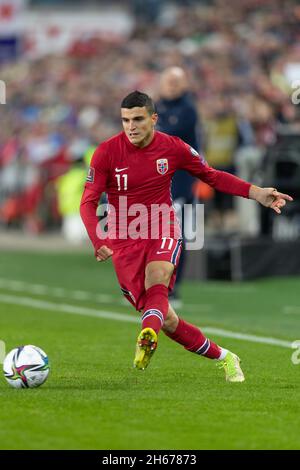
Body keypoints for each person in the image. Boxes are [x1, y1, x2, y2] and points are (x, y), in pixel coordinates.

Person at [80, 91, 293, 382]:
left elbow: (212, 176)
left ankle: (147, 336)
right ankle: (225, 356)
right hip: (123, 237)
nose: (131, 126)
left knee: (158, 278)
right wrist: (97, 239)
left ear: (153, 119)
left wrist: (257, 193)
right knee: (167, 319)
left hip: (162, 226)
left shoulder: (174, 147)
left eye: (138, 119)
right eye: (125, 120)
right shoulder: (106, 152)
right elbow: (88, 201)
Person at [156, 66, 201, 306]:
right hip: (154, 181)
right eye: (168, 80)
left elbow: (165, 138)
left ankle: (172, 288)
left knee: (175, 234)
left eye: (176, 81)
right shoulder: (155, 107)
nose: (172, 85)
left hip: (180, 182)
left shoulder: (187, 110)